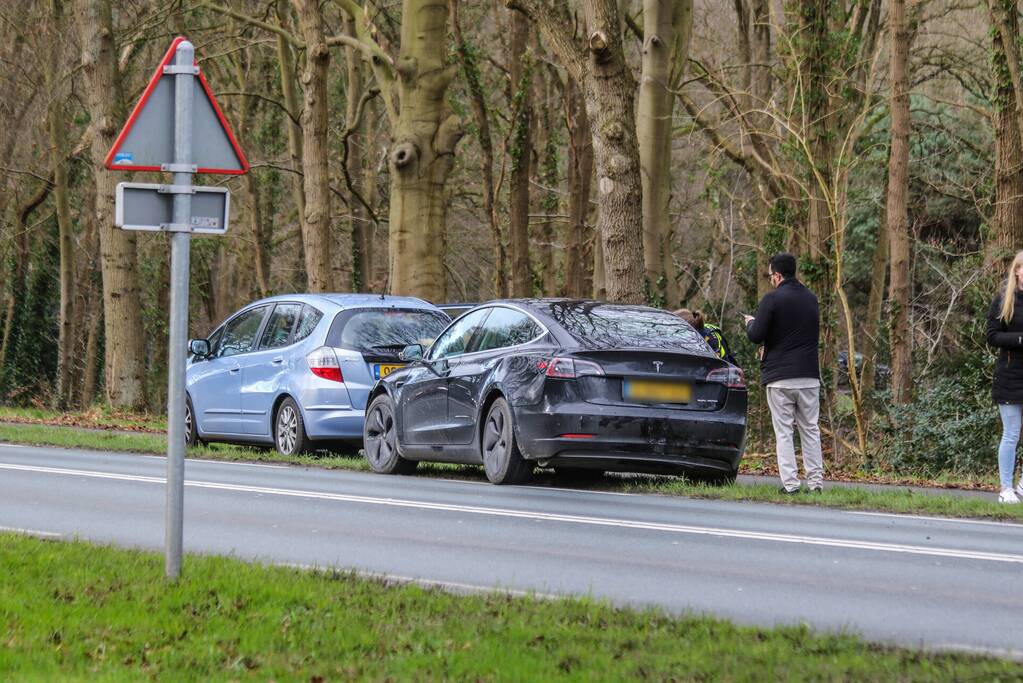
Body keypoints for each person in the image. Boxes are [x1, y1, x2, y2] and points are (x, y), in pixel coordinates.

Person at [744, 252, 824, 494]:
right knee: (810, 429)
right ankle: (816, 483)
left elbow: (756, 335)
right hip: (809, 375)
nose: (770, 280)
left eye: (770, 275)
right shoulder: (811, 299)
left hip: (780, 378)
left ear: (777, 275)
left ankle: (791, 484)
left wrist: (750, 322)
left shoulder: (772, 299)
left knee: (784, 432)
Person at [985, 250, 1023, 504]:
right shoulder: (1003, 300)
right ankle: (1005, 489)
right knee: (1011, 434)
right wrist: (1020, 339)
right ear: (1017, 271)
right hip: (1010, 377)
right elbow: (992, 335)